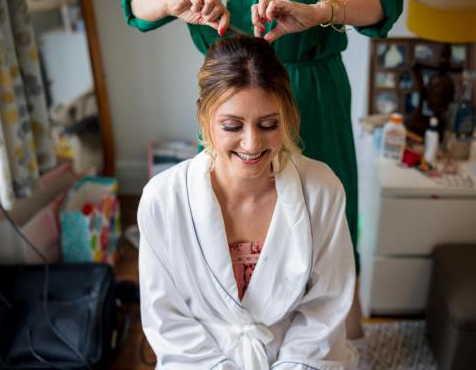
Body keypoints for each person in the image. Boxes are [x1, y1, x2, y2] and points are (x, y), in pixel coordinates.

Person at [123, 0, 403, 340]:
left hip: (313, 97)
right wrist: (172, 2)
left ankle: (340, 337)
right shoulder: (168, 195)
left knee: (327, 225)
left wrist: (319, 12)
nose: (256, 143)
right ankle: (237, 329)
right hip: (229, 101)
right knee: (225, 226)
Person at [137, 35, 358, 369]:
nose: (252, 143)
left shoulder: (322, 190)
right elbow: (168, 319)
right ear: (203, 117)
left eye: (268, 124)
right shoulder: (163, 200)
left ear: (288, 115)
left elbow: (324, 311)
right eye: (232, 126)